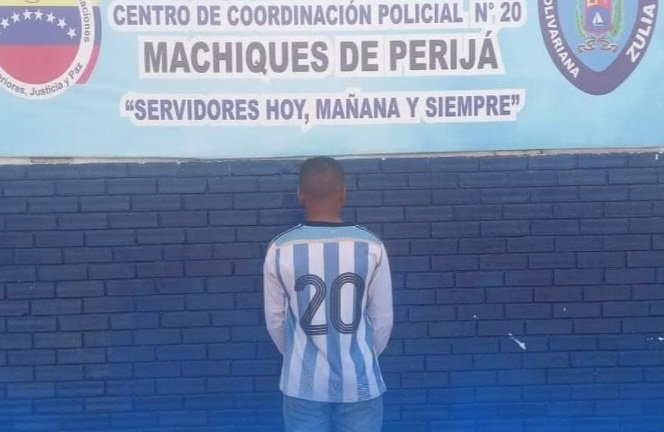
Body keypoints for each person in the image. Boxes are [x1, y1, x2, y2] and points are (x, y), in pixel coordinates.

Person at [263, 156, 394, 432]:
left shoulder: (280, 249)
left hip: (302, 383)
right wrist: (361, 356)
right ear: (343, 193)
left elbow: (275, 320)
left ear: (300, 195)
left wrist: (297, 357)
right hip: (359, 381)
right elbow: (382, 319)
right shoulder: (371, 246)